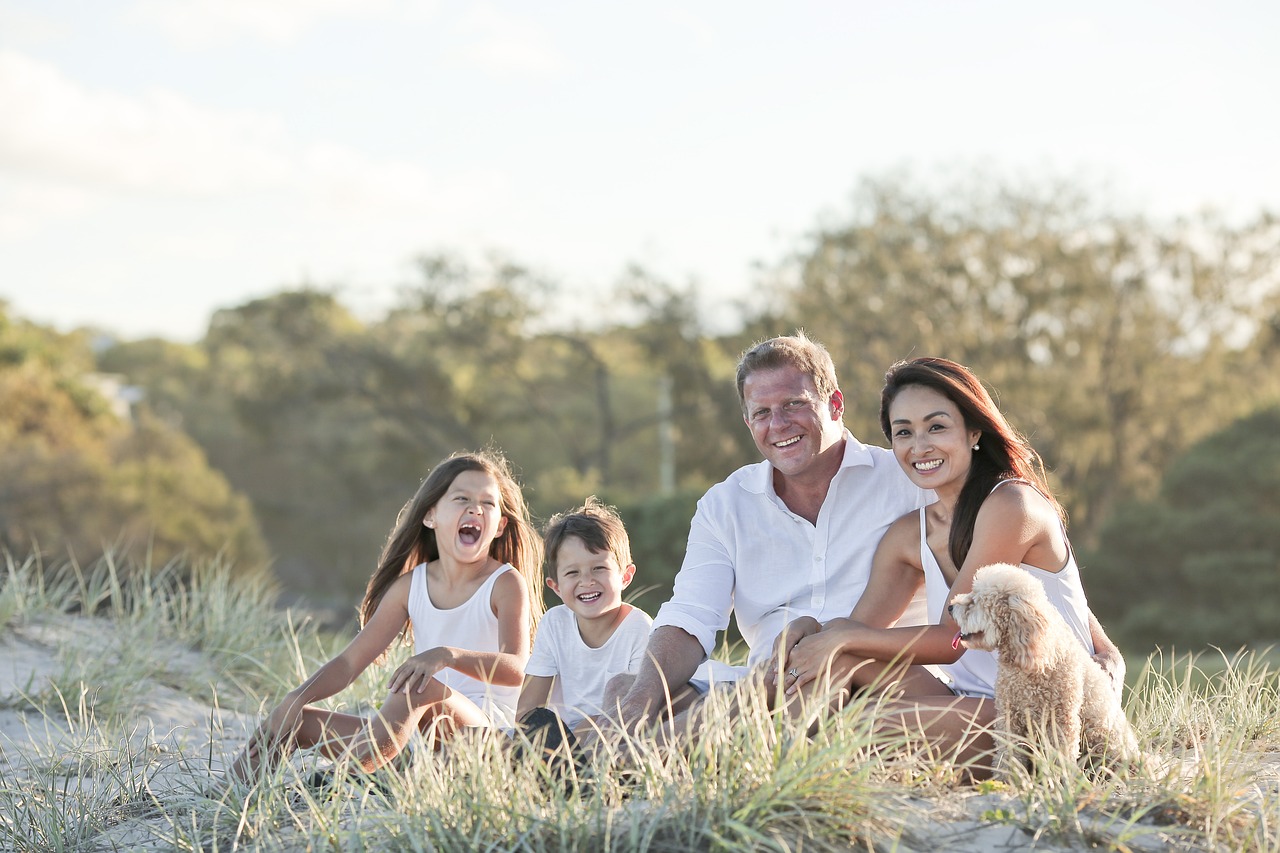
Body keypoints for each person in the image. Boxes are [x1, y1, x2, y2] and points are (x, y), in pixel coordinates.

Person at [774, 357, 1124, 767]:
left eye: (936, 427)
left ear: (973, 431)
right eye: (904, 432)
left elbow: (952, 639)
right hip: (968, 701)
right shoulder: (909, 534)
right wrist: (815, 632)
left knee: (856, 724)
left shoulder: (1012, 505)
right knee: (841, 662)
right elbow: (860, 631)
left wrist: (841, 639)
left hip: (1039, 712)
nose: (920, 446)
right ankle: (762, 749)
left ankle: (775, 759)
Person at [606, 332, 933, 733]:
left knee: (790, 695)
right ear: (748, 422)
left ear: (835, 404)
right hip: (763, 685)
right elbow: (691, 615)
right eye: (762, 413)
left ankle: (641, 755)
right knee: (628, 689)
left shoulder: (908, 483)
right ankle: (613, 754)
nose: (778, 424)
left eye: (794, 404)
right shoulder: (725, 505)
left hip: (868, 680)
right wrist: (641, 701)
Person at [228, 449, 543, 783]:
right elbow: (349, 664)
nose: (475, 508)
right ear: (430, 515)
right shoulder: (410, 586)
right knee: (293, 719)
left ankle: (341, 780)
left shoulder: (505, 582)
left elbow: (517, 668)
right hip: (413, 745)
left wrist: (446, 656)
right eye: (461, 497)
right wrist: (296, 698)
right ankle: (220, 799)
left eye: (488, 503)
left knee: (417, 688)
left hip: (485, 738)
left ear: (499, 526)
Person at [516, 497, 652, 736]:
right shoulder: (555, 623)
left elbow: (635, 712)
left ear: (625, 576)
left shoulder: (639, 629)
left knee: (594, 729)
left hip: (612, 738)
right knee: (481, 737)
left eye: (599, 568)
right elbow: (527, 709)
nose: (587, 581)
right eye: (572, 572)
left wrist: (582, 732)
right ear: (556, 586)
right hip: (559, 738)